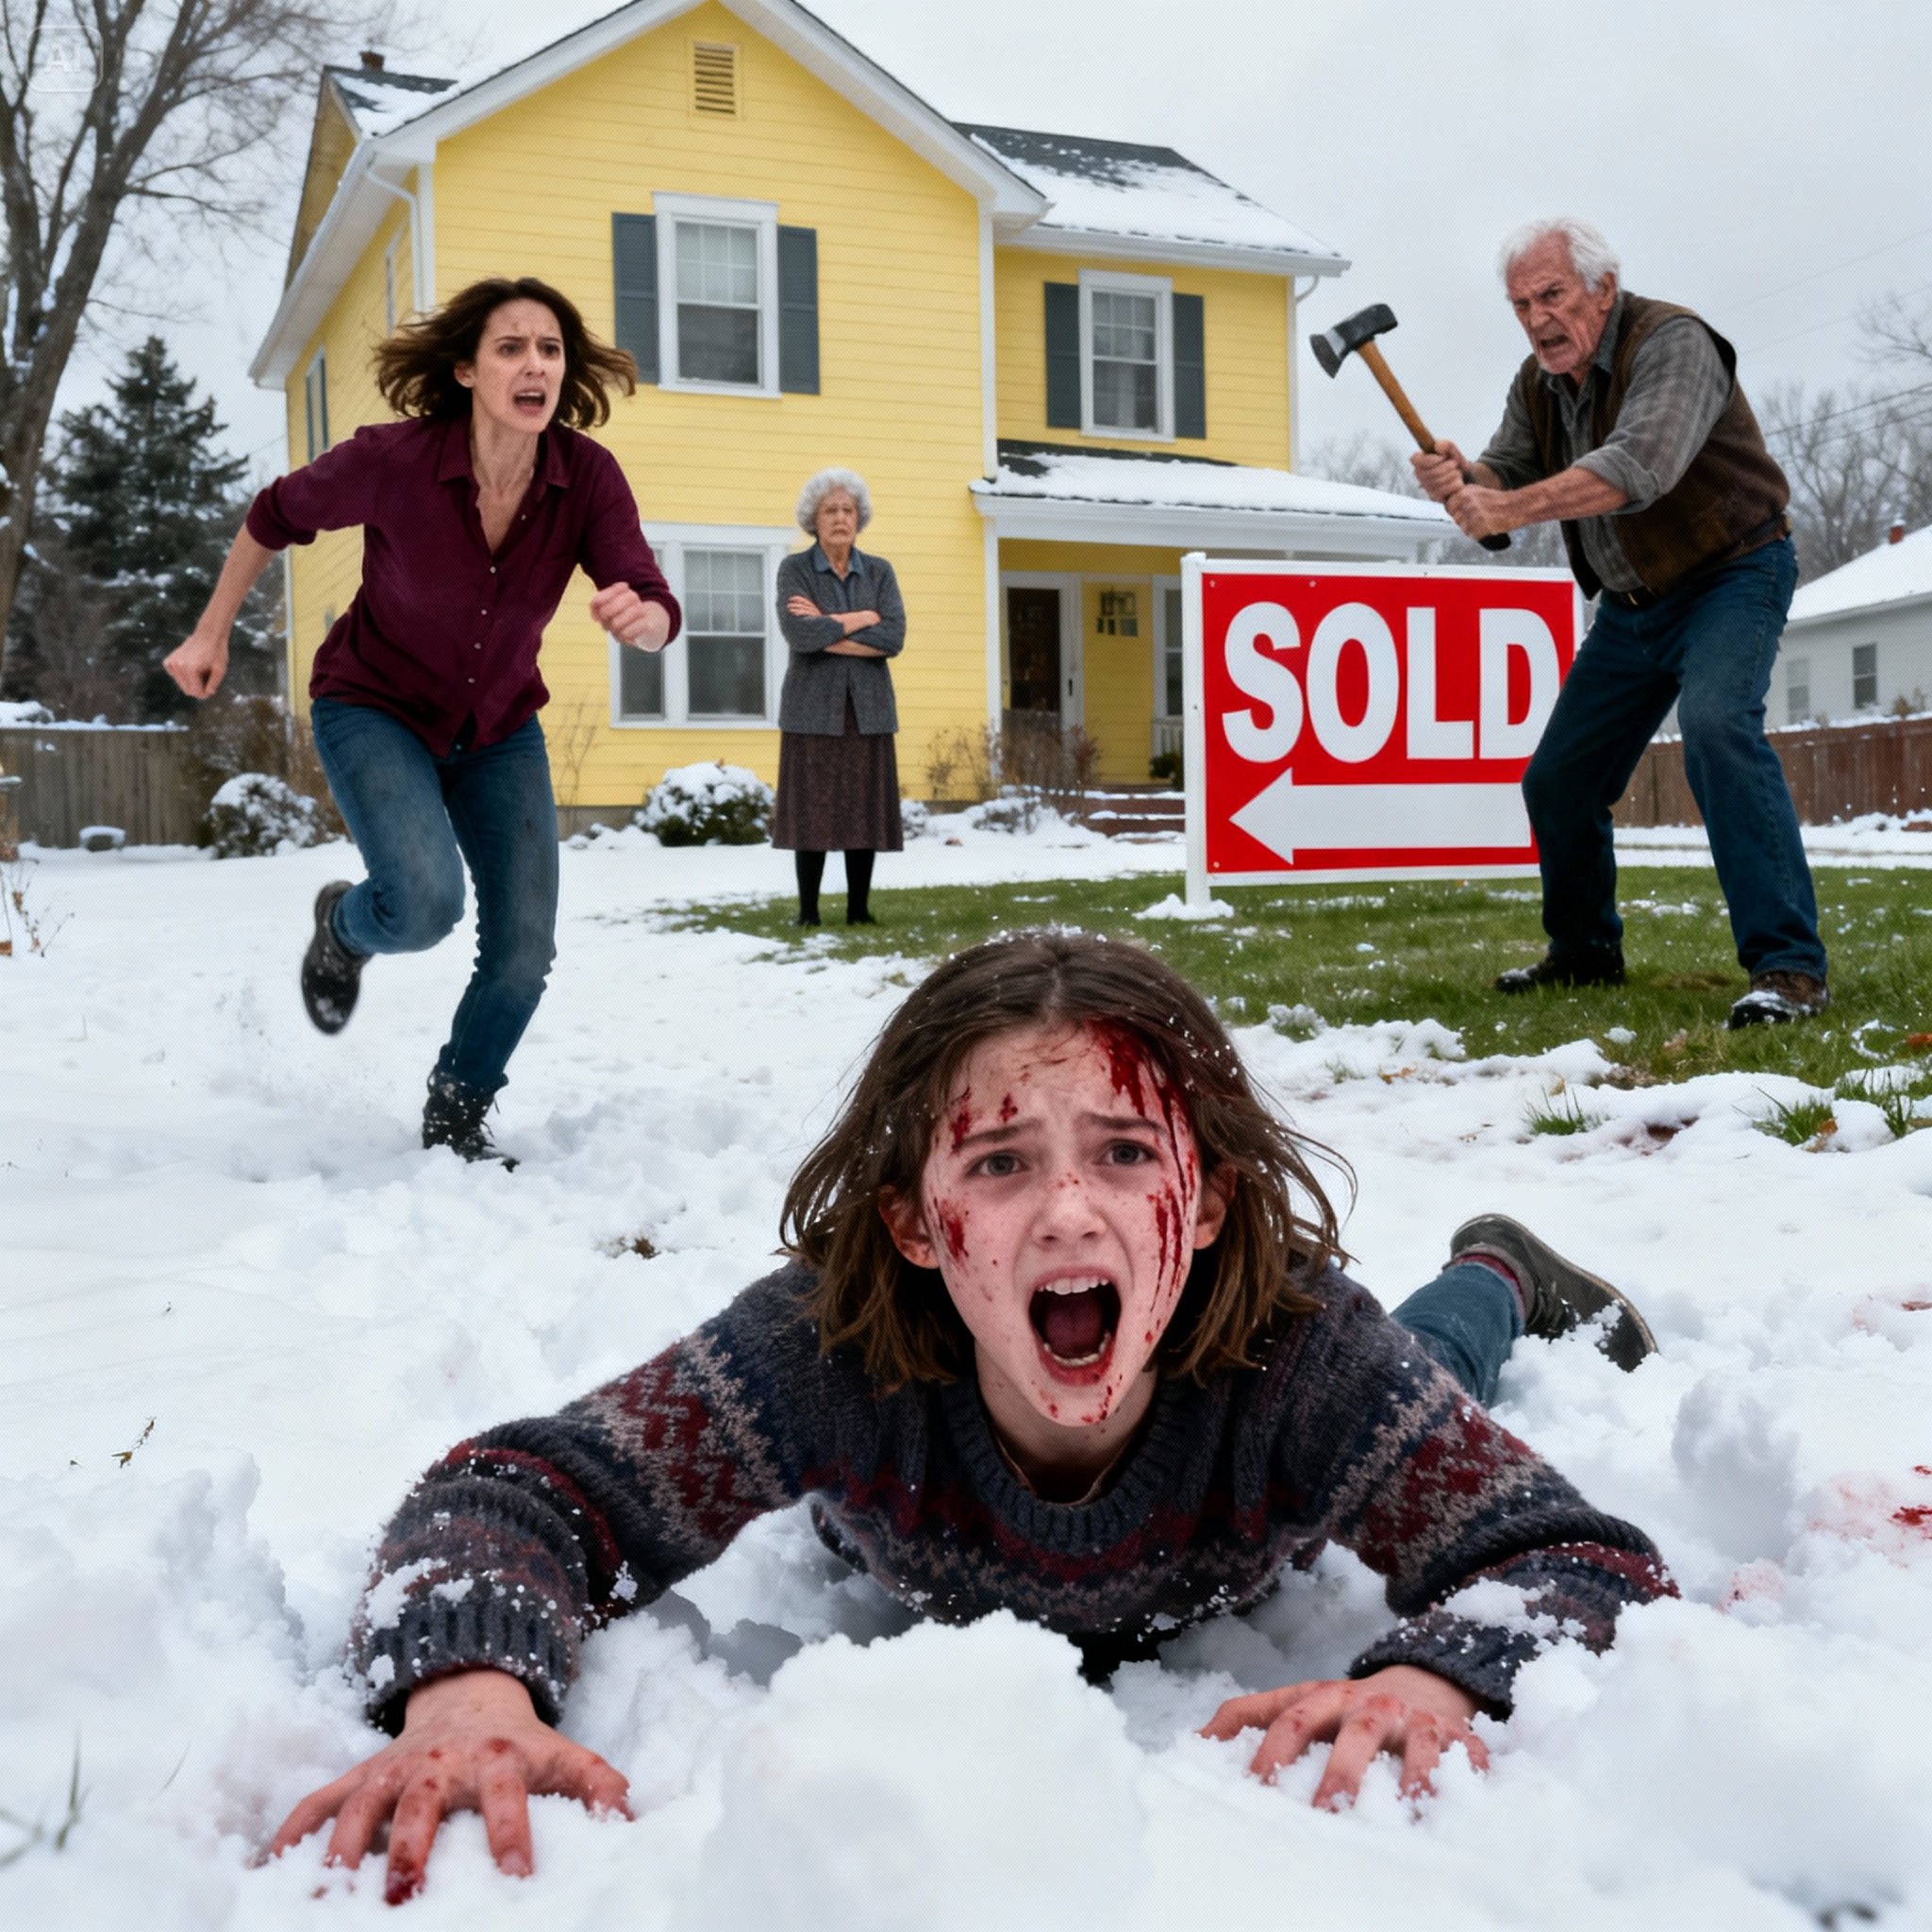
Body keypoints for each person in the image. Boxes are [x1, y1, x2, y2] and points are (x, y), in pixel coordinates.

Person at [268, 932, 1669, 1901]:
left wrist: (1437, 1678)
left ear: (1215, 1195)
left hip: (1275, 1459)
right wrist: (468, 1691)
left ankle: (1497, 1271)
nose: (1069, 1208)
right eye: (1000, 1163)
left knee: (1433, 1356)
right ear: (917, 1225)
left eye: (1127, 1154)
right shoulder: (826, 1347)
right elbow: (519, 1494)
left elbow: (1579, 1557)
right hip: (925, 1529)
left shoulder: (1304, 1359)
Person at [165, 277, 681, 1162]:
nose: (534, 366)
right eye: (511, 348)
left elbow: (649, 591)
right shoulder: (395, 460)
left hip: (497, 728)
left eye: (549, 350)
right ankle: (343, 929)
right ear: (467, 370)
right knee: (425, 906)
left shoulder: (584, 475)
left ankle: (457, 1108)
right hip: (374, 707)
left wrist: (648, 619)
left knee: (524, 948)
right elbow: (272, 516)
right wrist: (210, 633)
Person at [1412, 217, 1828, 1030]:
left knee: (1716, 731)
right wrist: (1464, 479)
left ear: (1603, 287)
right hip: (1633, 605)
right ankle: (1585, 954)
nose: (1537, 319)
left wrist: (1506, 501)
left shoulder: (1673, 344)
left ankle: (1788, 970)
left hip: (1733, 574)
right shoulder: (1539, 384)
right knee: (1559, 782)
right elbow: (1507, 478)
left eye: (1553, 295)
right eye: (1521, 303)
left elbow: (1639, 467)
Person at [772, 468, 906, 926]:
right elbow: (798, 633)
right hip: (811, 710)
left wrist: (829, 625)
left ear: (859, 518)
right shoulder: (794, 570)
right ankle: (808, 912)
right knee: (811, 813)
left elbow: (893, 638)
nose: (840, 518)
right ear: (814, 517)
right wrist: (861, 618)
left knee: (863, 811)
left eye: (848, 510)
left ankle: (858, 911)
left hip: (868, 710)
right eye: (831, 510)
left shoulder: (881, 572)